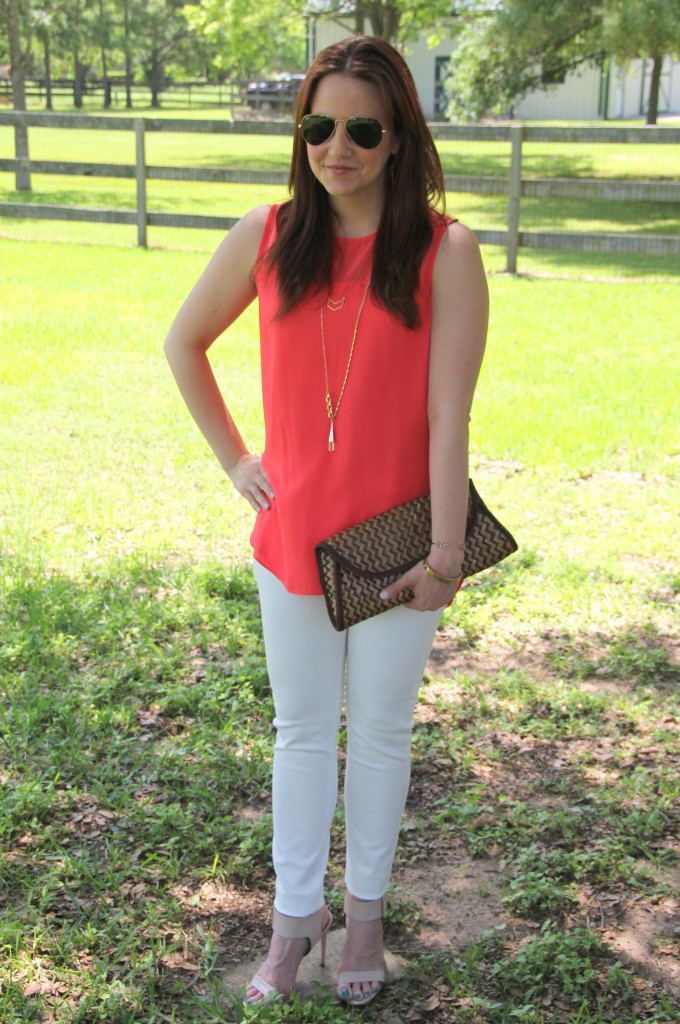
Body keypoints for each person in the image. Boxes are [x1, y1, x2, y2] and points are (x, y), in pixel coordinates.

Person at [164, 35, 488, 1008]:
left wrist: (442, 551)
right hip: (291, 539)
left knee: (381, 735)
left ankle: (365, 922)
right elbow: (182, 342)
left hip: (397, 545)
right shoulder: (265, 236)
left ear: (396, 138)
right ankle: (290, 925)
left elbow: (445, 415)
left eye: (358, 128)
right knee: (301, 735)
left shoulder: (445, 250)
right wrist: (235, 460)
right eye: (315, 125)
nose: (333, 146)